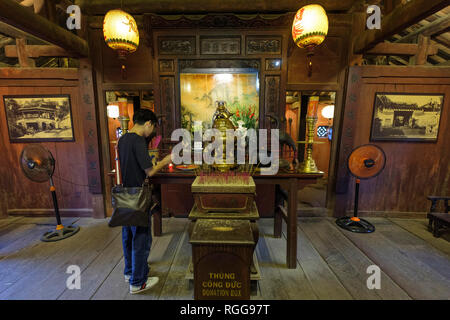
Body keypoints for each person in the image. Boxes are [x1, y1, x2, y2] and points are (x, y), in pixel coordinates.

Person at [118, 109, 171, 294]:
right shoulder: (138, 141)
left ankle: (130, 272)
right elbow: (149, 171)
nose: (152, 131)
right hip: (138, 196)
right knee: (141, 238)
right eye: (153, 127)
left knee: (128, 236)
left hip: (124, 193)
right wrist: (166, 161)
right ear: (148, 123)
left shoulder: (123, 139)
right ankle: (138, 282)